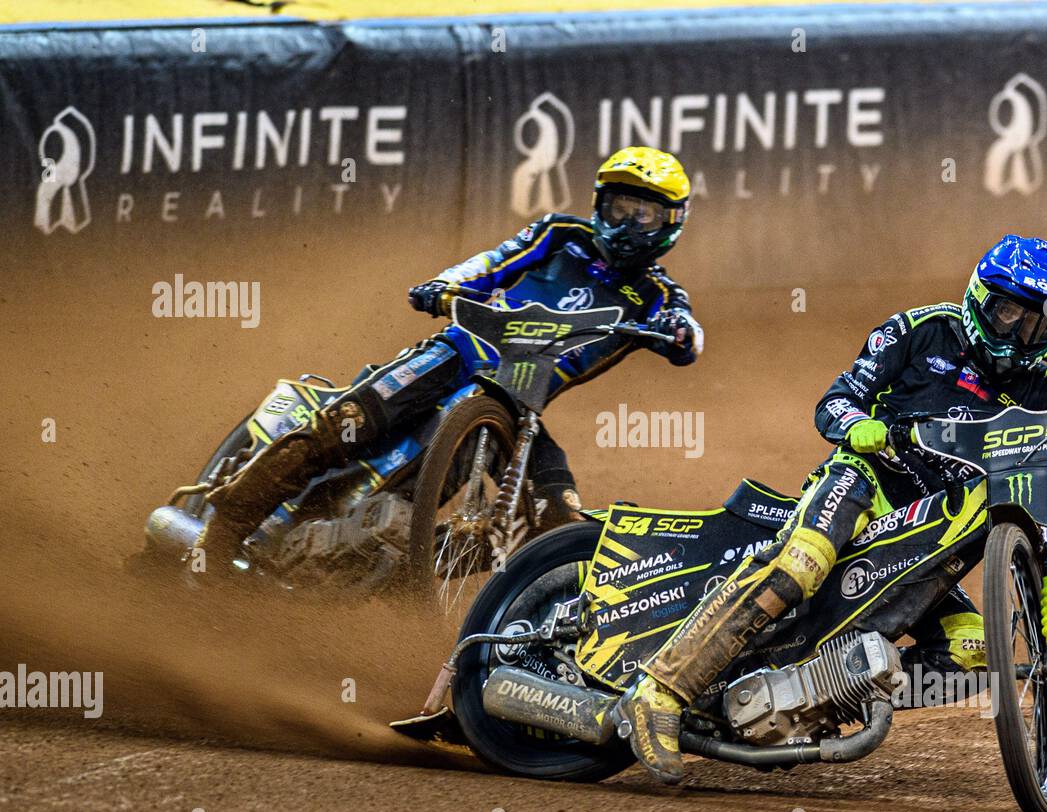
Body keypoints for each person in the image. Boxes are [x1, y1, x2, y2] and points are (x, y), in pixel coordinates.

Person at [615, 233, 1047, 784]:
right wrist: (858, 427)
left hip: (931, 534)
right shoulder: (919, 331)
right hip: (865, 483)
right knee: (801, 565)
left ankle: (819, 696)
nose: (1018, 334)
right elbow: (834, 402)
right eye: (1011, 313)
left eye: (1037, 322)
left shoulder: (1038, 383)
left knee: (974, 650)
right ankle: (660, 692)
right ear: (981, 300)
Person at [193, 146, 703, 571]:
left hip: (519, 405)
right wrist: (446, 284)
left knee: (559, 526)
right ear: (600, 204)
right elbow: (492, 262)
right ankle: (222, 534)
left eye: (644, 214)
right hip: (457, 353)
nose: (627, 223)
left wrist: (677, 334)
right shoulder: (559, 235)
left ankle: (410, 572)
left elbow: (689, 334)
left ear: (670, 223)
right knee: (345, 424)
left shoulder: (657, 296)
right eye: (618, 207)